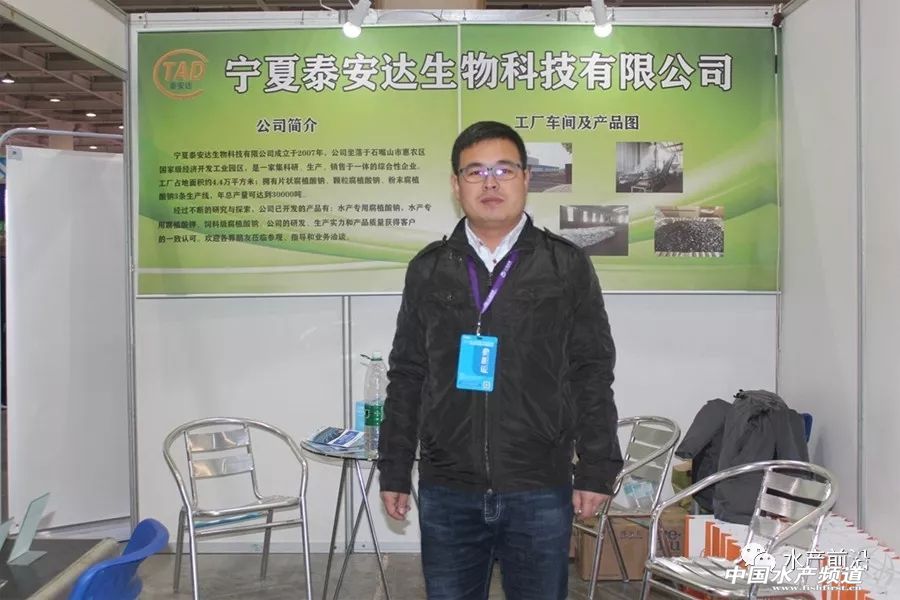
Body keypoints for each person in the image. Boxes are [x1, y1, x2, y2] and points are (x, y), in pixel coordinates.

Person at [377, 120, 621, 600]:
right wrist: (395, 467)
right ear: (456, 184)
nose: (490, 183)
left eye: (504, 170)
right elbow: (407, 374)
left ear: (526, 178)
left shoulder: (565, 265)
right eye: (475, 171)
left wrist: (596, 467)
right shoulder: (429, 268)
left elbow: (591, 370)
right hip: (448, 487)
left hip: (539, 485)